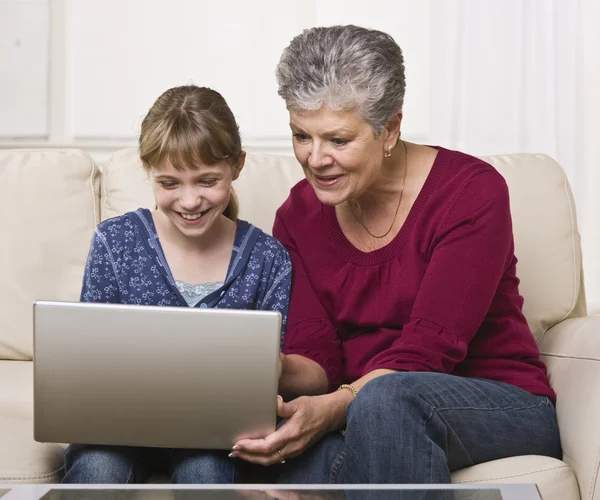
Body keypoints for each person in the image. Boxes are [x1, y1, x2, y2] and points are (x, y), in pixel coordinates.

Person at [229, 25, 562, 483]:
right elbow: (317, 355)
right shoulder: (298, 215)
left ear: (390, 129)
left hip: (494, 402)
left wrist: (335, 409)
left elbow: (428, 351)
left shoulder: (470, 193)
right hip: (368, 414)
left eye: (338, 140)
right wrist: (262, 369)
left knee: (385, 401)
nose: (314, 158)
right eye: (301, 135)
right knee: (265, 453)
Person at [61, 85, 292, 484]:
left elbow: (275, 364)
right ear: (147, 171)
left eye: (206, 181)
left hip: (216, 438)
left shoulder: (267, 258)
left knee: (206, 471)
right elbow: (89, 358)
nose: (189, 201)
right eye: (169, 184)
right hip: (116, 431)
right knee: (98, 469)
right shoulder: (115, 242)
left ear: (237, 166)